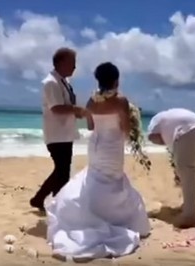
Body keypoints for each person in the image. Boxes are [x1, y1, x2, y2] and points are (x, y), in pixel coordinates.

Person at [45, 62, 150, 260]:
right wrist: (133, 128)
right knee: (112, 179)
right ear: (116, 80)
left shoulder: (92, 101)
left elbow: (91, 126)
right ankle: (112, 217)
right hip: (112, 147)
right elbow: (126, 129)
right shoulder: (121, 101)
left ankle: (92, 211)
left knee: (95, 177)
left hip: (96, 146)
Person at [30, 47, 86, 211]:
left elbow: (66, 105)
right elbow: (56, 108)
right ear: (61, 63)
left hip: (65, 133)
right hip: (56, 134)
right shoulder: (51, 82)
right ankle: (44, 200)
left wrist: (76, 111)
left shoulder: (64, 82)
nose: (75, 67)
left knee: (62, 171)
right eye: (72, 63)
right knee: (61, 171)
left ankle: (50, 200)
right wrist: (76, 110)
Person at [147, 108, 195, 228]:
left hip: (187, 132)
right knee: (193, 170)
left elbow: (152, 137)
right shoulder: (171, 116)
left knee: (186, 172)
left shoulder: (156, 120)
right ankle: (187, 205)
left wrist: (171, 146)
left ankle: (190, 214)